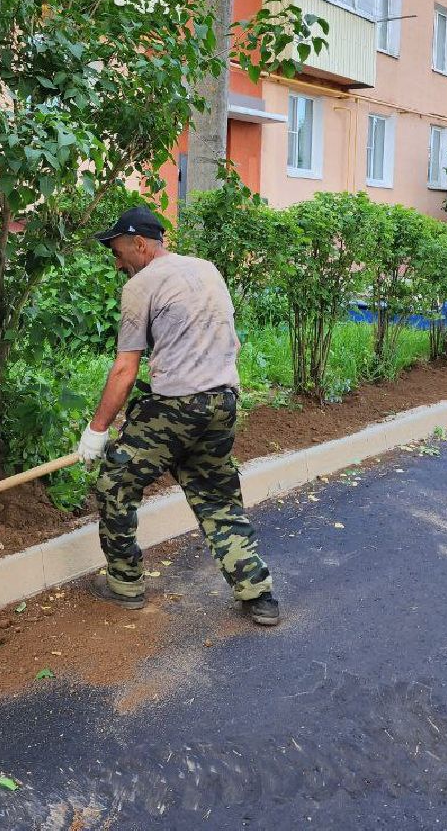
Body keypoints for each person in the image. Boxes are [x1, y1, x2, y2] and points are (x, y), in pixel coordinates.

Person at [76, 205, 279, 626]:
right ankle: (258, 595)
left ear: (139, 244)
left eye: (118, 252)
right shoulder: (207, 269)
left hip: (177, 408)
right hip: (223, 403)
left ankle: (124, 584)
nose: (117, 264)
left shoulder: (141, 285)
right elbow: (233, 343)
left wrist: (96, 431)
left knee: (115, 483)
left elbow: (125, 369)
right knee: (217, 497)